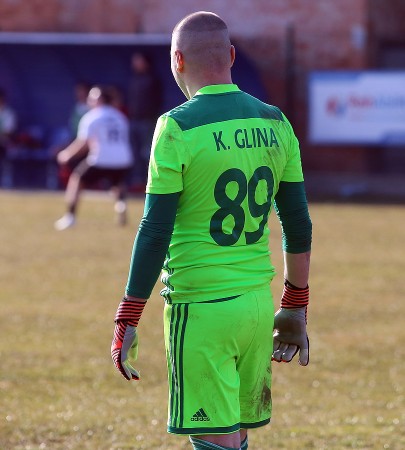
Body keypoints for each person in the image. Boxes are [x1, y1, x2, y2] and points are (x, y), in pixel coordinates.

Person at [111, 11, 312, 450]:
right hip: (256, 306)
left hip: (201, 308)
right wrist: (295, 305)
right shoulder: (276, 121)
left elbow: (155, 229)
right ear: (232, 56)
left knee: (215, 440)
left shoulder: (176, 126)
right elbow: (298, 224)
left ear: (177, 60)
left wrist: (128, 314)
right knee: (235, 434)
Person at [54, 85, 133, 230]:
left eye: (92, 98)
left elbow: (82, 143)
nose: (89, 101)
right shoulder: (119, 116)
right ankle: (120, 204)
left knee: (76, 179)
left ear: (100, 100)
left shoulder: (92, 116)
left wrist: (66, 155)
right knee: (117, 183)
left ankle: (70, 216)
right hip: (123, 159)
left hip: (101, 159)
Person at [127, 51, 162, 186]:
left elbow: (158, 101)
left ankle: (150, 180)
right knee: (134, 152)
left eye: (138, 60)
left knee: (146, 152)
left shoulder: (153, 80)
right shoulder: (133, 79)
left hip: (147, 122)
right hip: (133, 121)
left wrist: (152, 118)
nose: (135, 64)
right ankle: (137, 180)